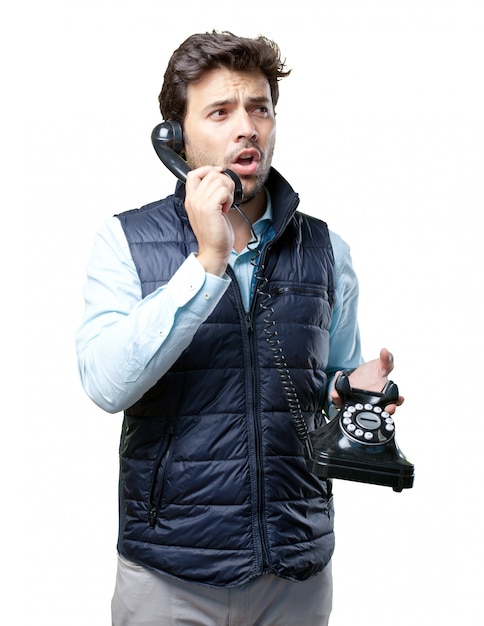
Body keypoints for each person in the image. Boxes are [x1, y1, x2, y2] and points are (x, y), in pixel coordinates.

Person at [76, 31, 403, 626]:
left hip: (294, 572)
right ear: (175, 135)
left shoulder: (329, 250)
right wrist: (206, 263)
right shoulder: (123, 242)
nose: (246, 127)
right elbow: (105, 383)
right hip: (169, 573)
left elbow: (330, 381)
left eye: (259, 108)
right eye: (220, 112)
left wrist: (354, 390)